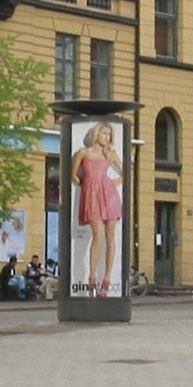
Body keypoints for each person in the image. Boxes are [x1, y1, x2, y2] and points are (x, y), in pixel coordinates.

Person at [71, 122, 124, 295]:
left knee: (110, 238)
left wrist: (113, 183)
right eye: (104, 133)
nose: (106, 137)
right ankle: (92, 278)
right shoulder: (83, 152)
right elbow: (73, 174)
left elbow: (126, 172)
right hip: (92, 196)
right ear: (96, 134)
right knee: (97, 236)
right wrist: (85, 186)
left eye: (109, 135)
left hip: (109, 196)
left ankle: (106, 280)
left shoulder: (110, 154)